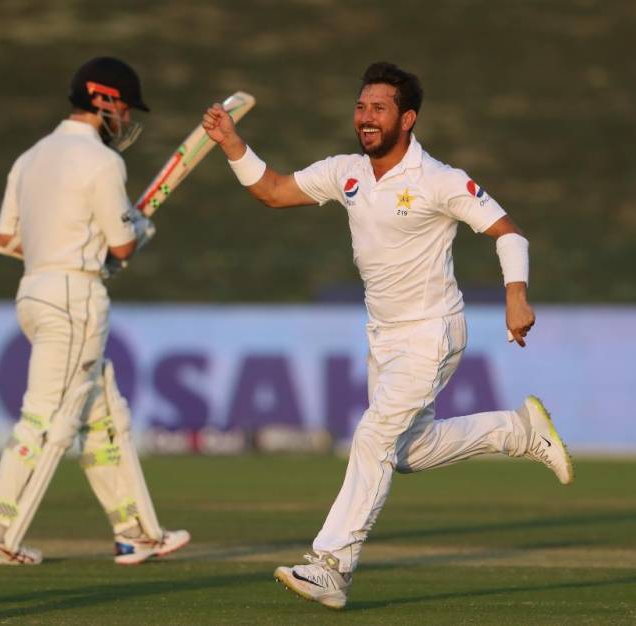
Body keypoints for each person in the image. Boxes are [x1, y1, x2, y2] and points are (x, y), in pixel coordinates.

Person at [202, 61, 573, 609]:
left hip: (433, 332)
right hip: (384, 335)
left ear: (408, 119)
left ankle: (331, 565)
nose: (365, 118)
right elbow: (275, 192)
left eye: (379, 109)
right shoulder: (346, 171)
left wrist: (516, 294)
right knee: (408, 451)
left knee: (373, 436)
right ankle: (515, 431)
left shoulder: (439, 180)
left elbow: (507, 231)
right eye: (361, 107)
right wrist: (234, 145)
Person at [0, 56, 189, 566]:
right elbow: (121, 247)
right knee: (48, 419)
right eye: (124, 108)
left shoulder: (30, 157)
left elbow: (5, 239)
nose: (126, 120)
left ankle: (136, 531)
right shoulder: (101, 162)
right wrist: (137, 230)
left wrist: (69, 250)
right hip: (74, 300)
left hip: (35, 291)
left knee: (105, 415)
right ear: (103, 100)